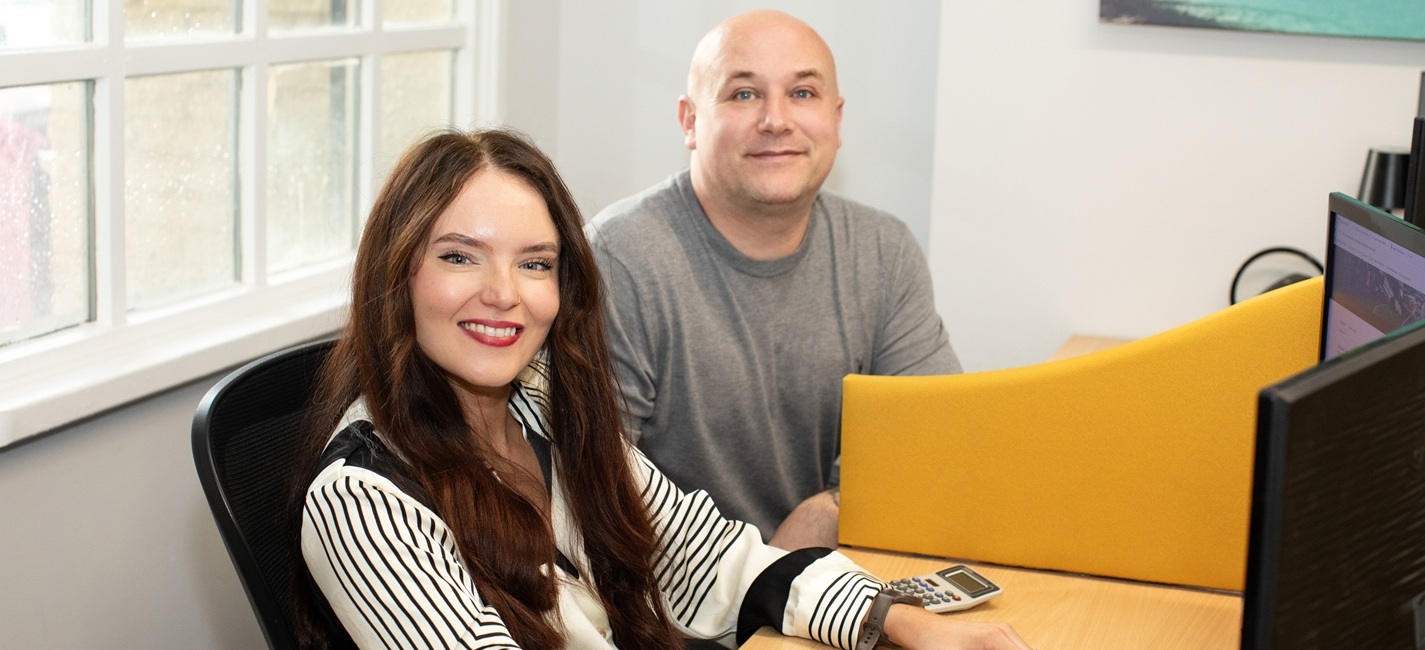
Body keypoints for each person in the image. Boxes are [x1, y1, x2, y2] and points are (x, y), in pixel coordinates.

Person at [289, 128, 1029, 650]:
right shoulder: (364, 499)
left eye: (535, 264)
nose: (503, 294)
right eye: (460, 256)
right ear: (400, 274)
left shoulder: (544, 402)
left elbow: (707, 558)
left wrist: (896, 619)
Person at [586, 9, 959, 551]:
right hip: (678, 613)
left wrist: (828, 509)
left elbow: (932, 438)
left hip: (836, 578)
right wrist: (765, 578)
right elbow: (595, 494)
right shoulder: (620, 258)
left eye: (802, 93)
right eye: (743, 95)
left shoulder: (883, 250)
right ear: (689, 122)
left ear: (836, 119)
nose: (776, 120)